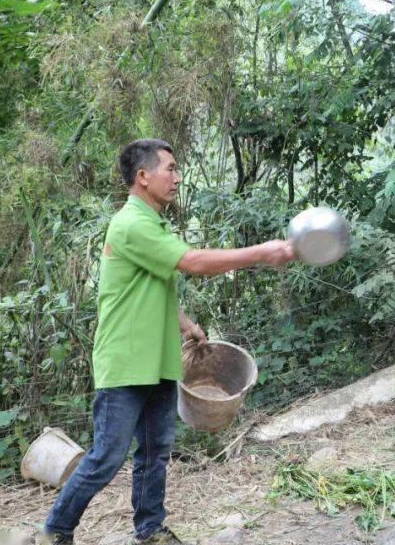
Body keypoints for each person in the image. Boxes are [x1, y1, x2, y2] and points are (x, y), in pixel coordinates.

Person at [42, 139, 294, 545]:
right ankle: (55, 531)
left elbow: (149, 287)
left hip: (157, 360)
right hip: (125, 362)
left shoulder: (152, 224)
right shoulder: (131, 224)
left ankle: (150, 530)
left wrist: (187, 324)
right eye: (170, 169)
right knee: (107, 458)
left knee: (154, 454)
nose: (177, 178)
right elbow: (192, 263)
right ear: (143, 177)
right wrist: (262, 252)